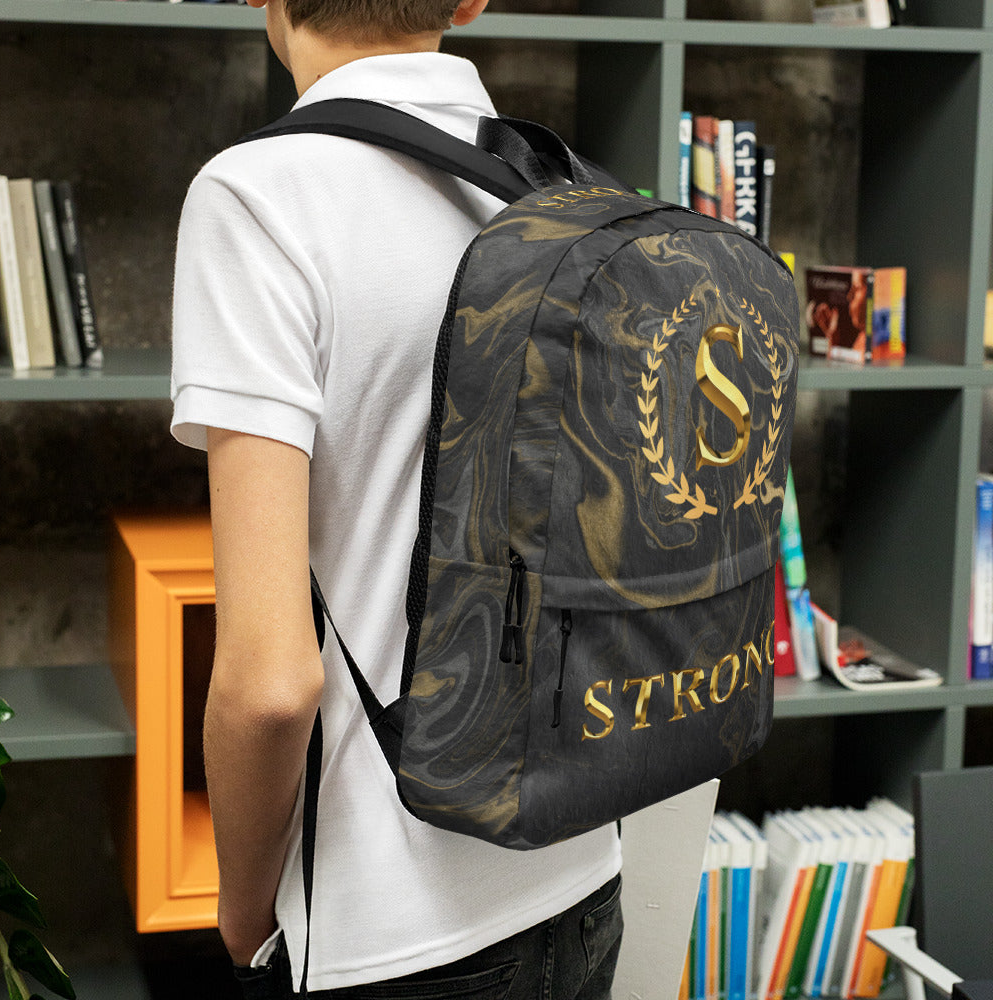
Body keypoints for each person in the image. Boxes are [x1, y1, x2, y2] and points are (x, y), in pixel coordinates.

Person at [169, 0, 623, 995]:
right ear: (471, 0)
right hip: (582, 870)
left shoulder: (258, 197)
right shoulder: (569, 192)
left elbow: (269, 683)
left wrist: (243, 915)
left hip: (393, 929)